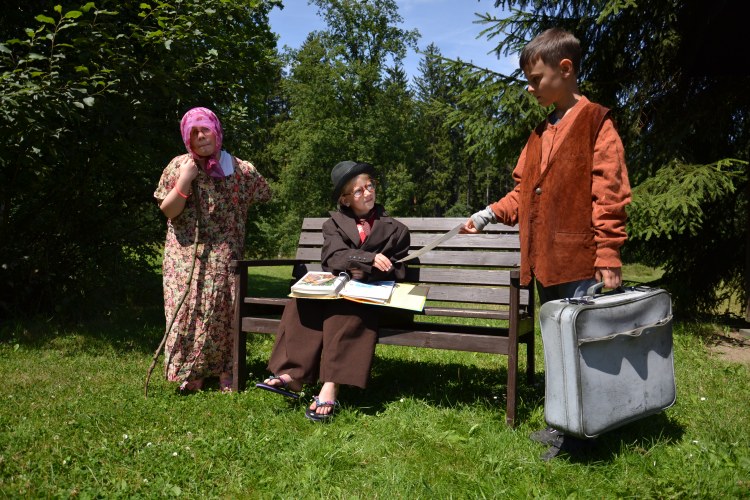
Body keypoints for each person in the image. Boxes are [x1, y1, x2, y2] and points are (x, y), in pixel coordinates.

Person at [461, 28, 632, 459]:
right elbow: (523, 191)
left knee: (583, 351)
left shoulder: (597, 122)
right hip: (543, 262)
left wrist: (608, 252)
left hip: (580, 261)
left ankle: (586, 438)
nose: (530, 87)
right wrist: (486, 215)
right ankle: (563, 425)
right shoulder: (539, 132)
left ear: (566, 69)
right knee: (557, 347)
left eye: (536, 79)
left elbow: (610, 192)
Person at [256, 161, 410, 422]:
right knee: (302, 300)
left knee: (347, 304)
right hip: (340, 288)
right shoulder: (333, 225)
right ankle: (294, 375)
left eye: (369, 186)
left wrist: (381, 267)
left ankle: (331, 384)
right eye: (358, 191)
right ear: (345, 199)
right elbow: (333, 258)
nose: (367, 193)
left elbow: (401, 269)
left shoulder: (396, 229)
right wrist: (368, 258)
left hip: (376, 299)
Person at [154, 107, 271, 394]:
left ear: (216, 130)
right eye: (193, 132)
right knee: (187, 314)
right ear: (186, 137)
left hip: (225, 254)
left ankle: (226, 371)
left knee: (224, 313)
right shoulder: (179, 166)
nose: (200, 136)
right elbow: (168, 210)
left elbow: (264, 194)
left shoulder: (241, 169)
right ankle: (191, 372)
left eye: (204, 129)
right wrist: (185, 180)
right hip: (184, 257)